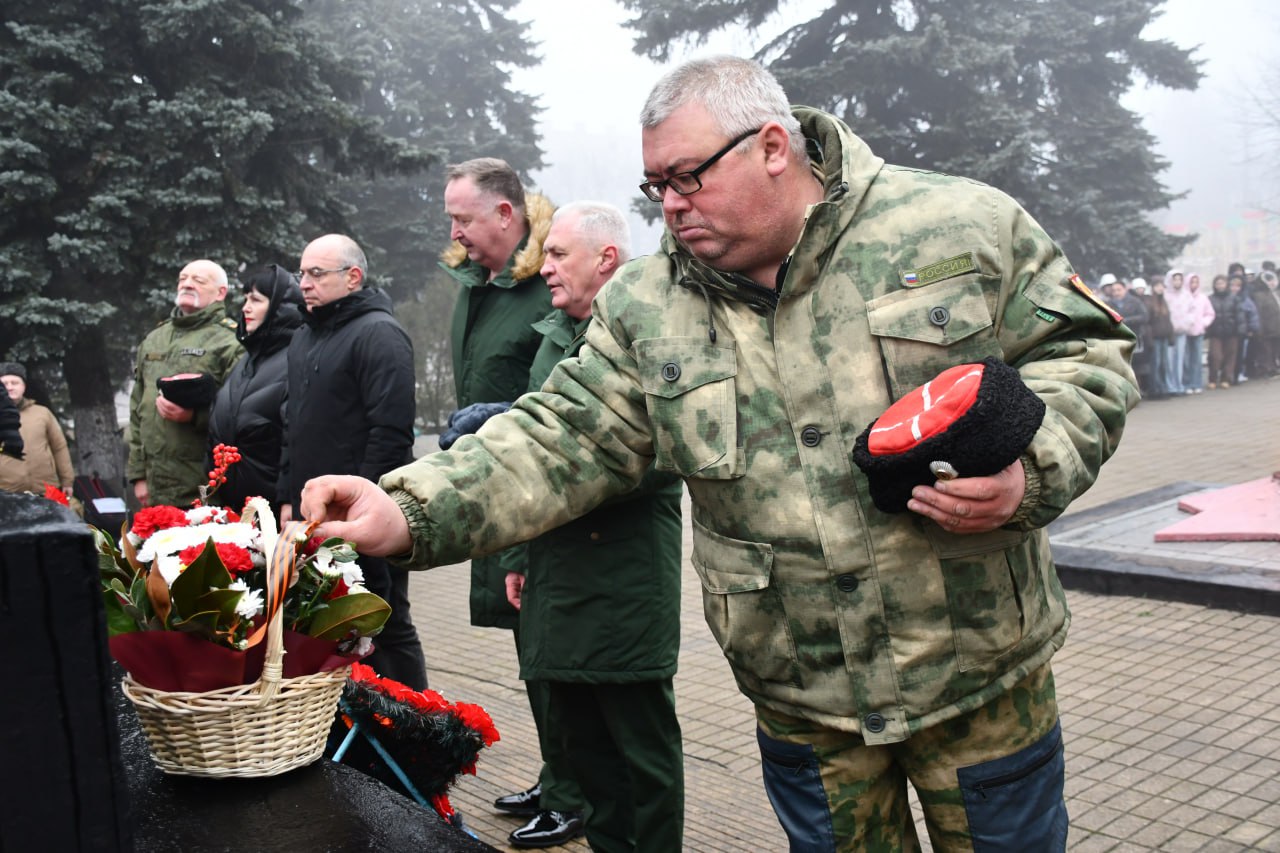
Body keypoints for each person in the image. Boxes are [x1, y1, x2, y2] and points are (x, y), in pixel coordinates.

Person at [301, 56, 1138, 851]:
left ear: (773, 147)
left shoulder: (956, 226)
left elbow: (1086, 357)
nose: (668, 205)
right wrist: (406, 505)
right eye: (655, 186)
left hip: (978, 682)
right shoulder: (648, 304)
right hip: (805, 708)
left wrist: (1033, 470)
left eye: (686, 177)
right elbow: (560, 432)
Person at [498, 202, 685, 850]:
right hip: (556, 569)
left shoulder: (657, 330)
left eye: (557, 254)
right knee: (586, 753)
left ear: (607, 259)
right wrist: (517, 555)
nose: (542, 266)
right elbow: (530, 450)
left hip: (623, 576)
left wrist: (568, 464)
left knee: (641, 757)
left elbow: (665, 457)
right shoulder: (555, 335)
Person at [438, 158, 575, 825]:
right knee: (529, 650)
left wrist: (494, 418)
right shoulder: (476, 286)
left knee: (551, 647)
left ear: (505, 213)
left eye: (463, 217)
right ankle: (557, 777)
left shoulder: (546, 282)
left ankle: (575, 795)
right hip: (495, 486)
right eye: (450, 218)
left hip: (539, 493)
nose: (455, 231)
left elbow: (560, 392)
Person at [278, 234, 427, 690]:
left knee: (384, 622)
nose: (304, 283)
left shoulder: (380, 334)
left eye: (316, 274)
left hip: (367, 518)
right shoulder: (304, 337)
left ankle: (415, 728)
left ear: (353, 277)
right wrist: (287, 498)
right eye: (302, 273)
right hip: (315, 516)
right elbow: (293, 424)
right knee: (328, 627)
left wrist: (366, 506)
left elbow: (391, 434)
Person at [126, 259, 242, 507]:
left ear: (221, 292)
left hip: (204, 485)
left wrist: (194, 416)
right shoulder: (155, 338)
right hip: (153, 485)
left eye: (198, 280)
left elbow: (240, 414)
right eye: (182, 278)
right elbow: (137, 408)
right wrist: (138, 475)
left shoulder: (231, 341)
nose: (187, 284)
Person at [206, 265, 305, 514]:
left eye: (256, 300)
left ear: (280, 309)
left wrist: (288, 503)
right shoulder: (246, 361)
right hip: (235, 510)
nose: (245, 307)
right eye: (246, 299)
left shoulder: (295, 361)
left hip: (275, 512)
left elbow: (293, 440)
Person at [0, 362, 75, 495]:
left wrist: (67, 481)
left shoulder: (42, 413)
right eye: (5, 384)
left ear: (23, 386)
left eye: (15, 383)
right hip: (7, 493)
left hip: (46, 490)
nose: (10, 388)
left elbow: (59, 447)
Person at [1103, 277, 1149, 396]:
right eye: (1114, 290)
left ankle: (1136, 392)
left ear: (1125, 289)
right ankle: (1124, 394)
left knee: (1136, 367)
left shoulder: (1135, 301)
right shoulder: (1108, 304)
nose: (1116, 293)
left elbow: (1144, 316)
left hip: (1134, 337)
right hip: (1117, 339)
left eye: (1119, 289)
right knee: (1121, 367)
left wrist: (1126, 321)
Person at [1178, 272, 1214, 394]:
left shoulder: (1203, 297)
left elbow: (1210, 313)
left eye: (1196, 282)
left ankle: (1197, 383)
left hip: (1198, 332)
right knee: (1186, 360)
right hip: (1185, 332)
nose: (1194, 285)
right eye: (1191, 282)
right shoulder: (1183, 297)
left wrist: (1203, 323)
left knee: (1197, 359)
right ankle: (1187, 383)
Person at [1141, 278, 1175, 399]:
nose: (1160, 288)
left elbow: (1168, 321)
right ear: (1153, 287)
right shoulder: (1149, 302)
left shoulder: (1164, 302)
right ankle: (1155, 389)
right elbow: (1147, 323)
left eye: (1162, 286)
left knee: (1164, 364)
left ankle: (1163, 388)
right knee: (1155, 364)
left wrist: (1171, 336)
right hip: (1154, 338)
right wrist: (1149, 340)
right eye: (1158, 285)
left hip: (1164, 337)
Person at [1205, 274, 1238, 389]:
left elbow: (1239, 315)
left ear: (1226, 284)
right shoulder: (1210, 299)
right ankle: (1212, 379)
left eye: (1222, 283)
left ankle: (1226, 379)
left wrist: (1240, 329)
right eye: (1218, 283)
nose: (1220, 286)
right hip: (1215, 332)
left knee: (1230, 356)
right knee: (1215, 356)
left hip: (1231, 331)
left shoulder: (1234, 298)